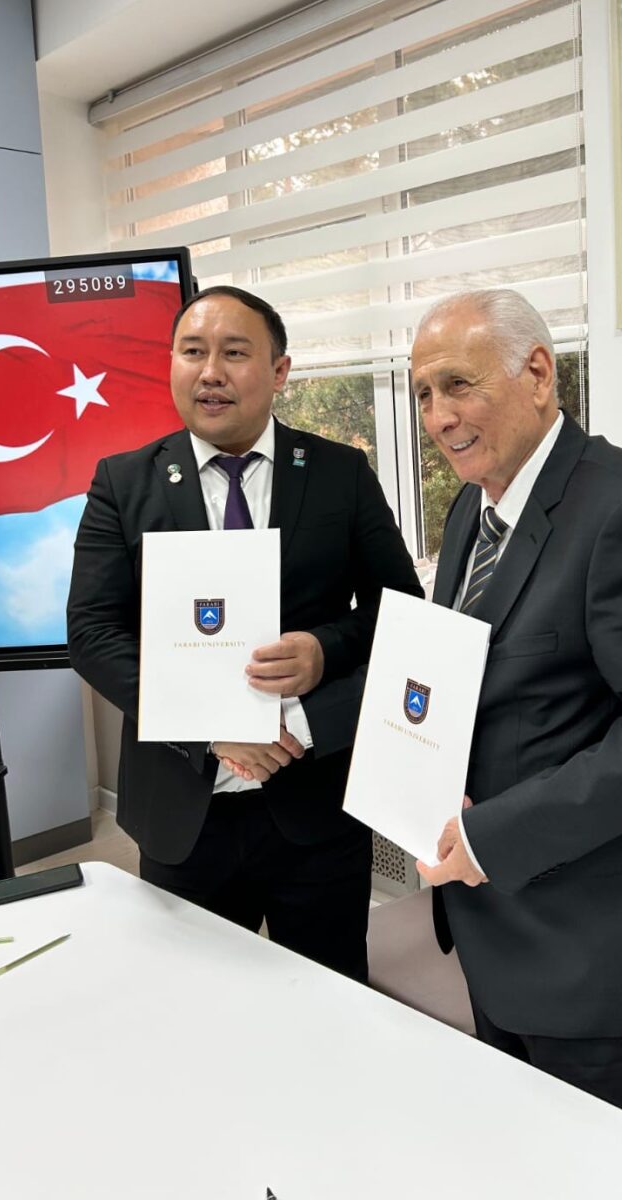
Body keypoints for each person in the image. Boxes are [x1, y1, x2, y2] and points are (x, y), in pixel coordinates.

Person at [411, 288, 622, 1128]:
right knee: (524, 1153)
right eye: (423, 393)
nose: (438, 417)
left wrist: (492, 837)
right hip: (492, 922)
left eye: (458, 384)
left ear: (537, 374)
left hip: (591, 945)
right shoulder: (471, 509)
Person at [67, 285, 421, 982]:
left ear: (280, 370)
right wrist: (208, 725)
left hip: (316, 806)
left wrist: (324, 650)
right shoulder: (124, 483)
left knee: (329, 1005)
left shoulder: (340, 474)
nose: (210, 373)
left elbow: (401, 610)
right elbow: (93, 633)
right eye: (192, 352)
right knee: (198, 1011)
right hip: (183, 812)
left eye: (234, 353)